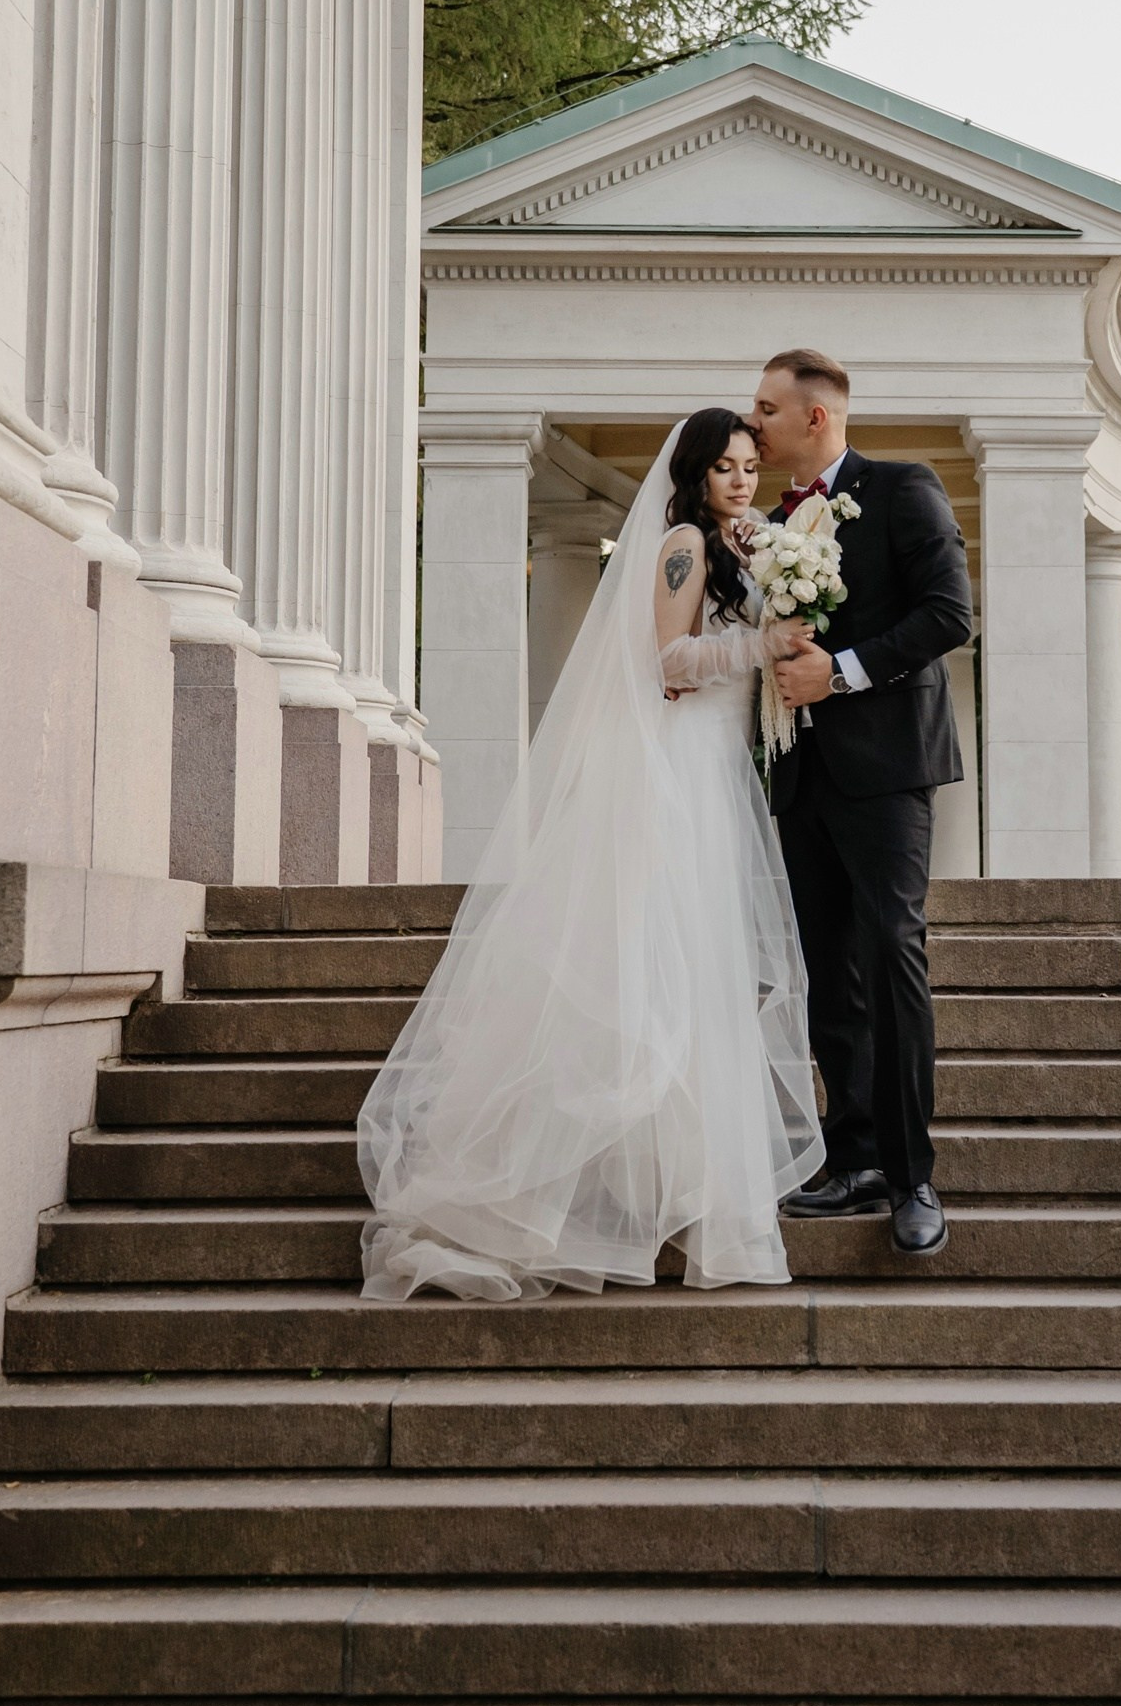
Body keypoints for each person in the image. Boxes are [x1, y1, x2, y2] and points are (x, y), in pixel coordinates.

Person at [357, 411, 824, 1302]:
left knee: (702, 980)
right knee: (661, 970)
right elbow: (668, 662)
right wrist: (762, 645)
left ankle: (683, 1197)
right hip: (678, 772)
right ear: (691, 473)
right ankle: (598, 1203)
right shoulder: (682, 543)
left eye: (746, 467)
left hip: (721, 772)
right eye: (722, 467)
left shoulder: (744, 544)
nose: (738, 480)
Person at [751, 348, 975, 1256]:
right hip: (799, 773)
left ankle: (913, 1177)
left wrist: (837, 673)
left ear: (815, 418)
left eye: (766, 409)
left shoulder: (902, 488)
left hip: (886, 771)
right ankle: (852, 1159)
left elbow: (948, 614)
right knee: (825, 972)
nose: (752, 423)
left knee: (891, 952)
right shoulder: (768, 525)